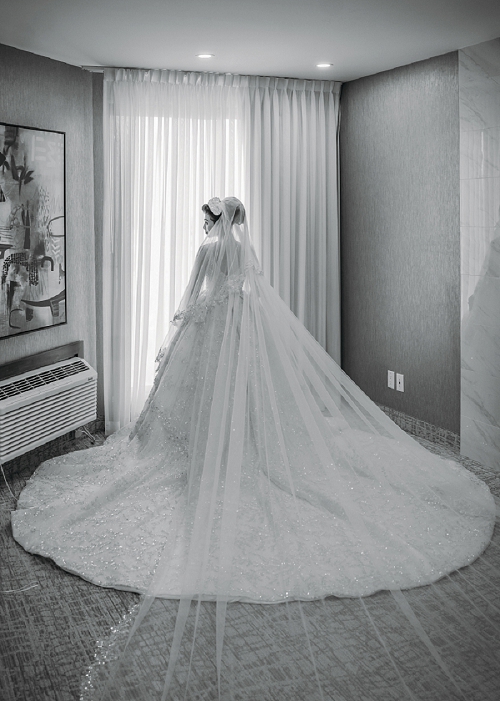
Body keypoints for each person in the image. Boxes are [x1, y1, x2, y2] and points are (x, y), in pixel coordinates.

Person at [12, 197, 499, 700]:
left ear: (216, 218)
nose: (204, 221)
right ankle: (243, 451)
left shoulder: (209, 248)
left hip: (211, 335)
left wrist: (183, 322)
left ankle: (211, 456)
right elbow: (253, 292)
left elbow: (195, 294)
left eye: (208, 214)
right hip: (241, 335)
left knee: (199, 409)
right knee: (242, 408)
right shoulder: (243, 246)